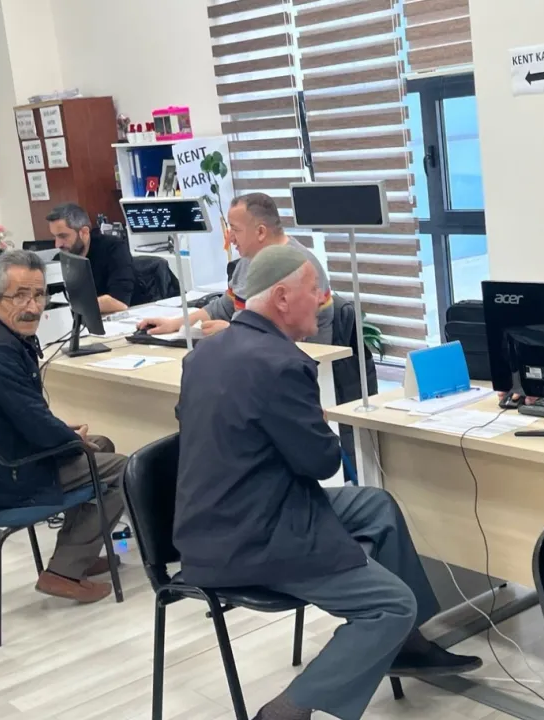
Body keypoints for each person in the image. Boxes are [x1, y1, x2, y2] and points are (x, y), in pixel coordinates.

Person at [174, 245, 481, 720]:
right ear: (281, 297)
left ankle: (406, 646)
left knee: (375, 506)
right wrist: (315, 420)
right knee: (391, 605)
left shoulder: (206, 353)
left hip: (209, 522)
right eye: (315, 290)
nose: (323, 301)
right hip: (256, 535)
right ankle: (286, 710)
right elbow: (319, 462)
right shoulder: (280, 364)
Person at [0, 249, 127, 604]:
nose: (33, 307)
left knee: (100, 444)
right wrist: (68, 439)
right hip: (4, 475)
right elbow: (35, 423)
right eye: (20, 296)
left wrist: (64, 434)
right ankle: (64, 572)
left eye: (39, 295)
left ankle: (78, 554)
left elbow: (21, 413)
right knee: (122, 469)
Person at [136, 192, 334, 344]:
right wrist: (176, 323)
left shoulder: (301, 268)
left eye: (236, 230)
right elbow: (222, 308)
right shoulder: (247, 261)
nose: (230, 238)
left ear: (260, 232)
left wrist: (232, 332)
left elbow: (302, 339)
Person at [48, 203, 135, 314]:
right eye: (54, 237)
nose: (57, 244)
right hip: (82, 319)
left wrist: (73, 307)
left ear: (84, 232)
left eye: (63, 236)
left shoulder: (113, 248)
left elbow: (119, 302)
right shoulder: (60, 259)